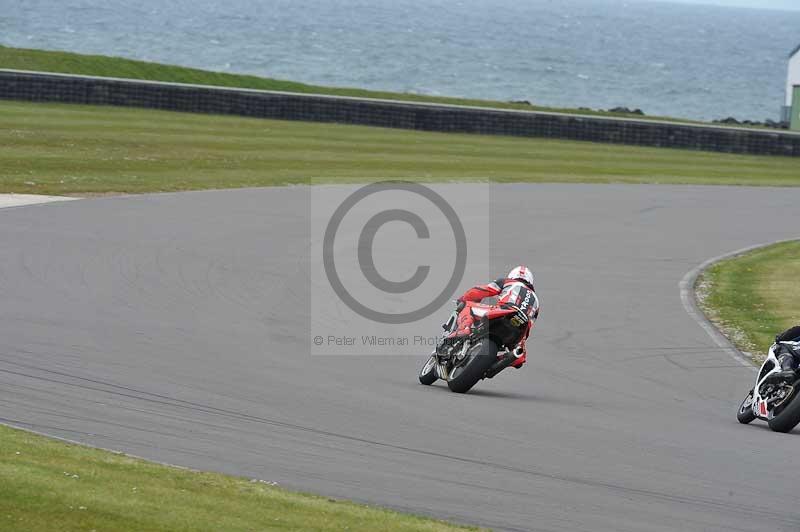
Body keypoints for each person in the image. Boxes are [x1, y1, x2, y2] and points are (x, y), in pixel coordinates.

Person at [456, 265, 540, 369]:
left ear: (512, 275)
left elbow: (481, 291)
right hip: (519, 329)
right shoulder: (536, 301)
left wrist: (464, 298)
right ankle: (494, 365)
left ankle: (464, 330)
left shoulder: (508, 282)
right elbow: (529, 326)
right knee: (519, 359)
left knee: (467, 306)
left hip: (504, 311)